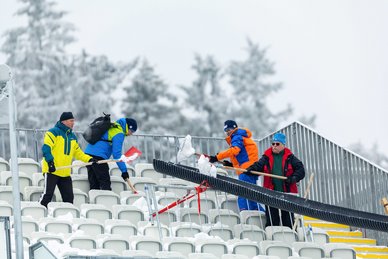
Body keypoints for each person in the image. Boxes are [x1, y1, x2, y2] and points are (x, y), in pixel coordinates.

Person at [246, 132, 305, 228]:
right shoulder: (266, 156)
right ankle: (272, 239)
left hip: (287, 194)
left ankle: (290, 238)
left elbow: (301, 170)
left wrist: (293, 178)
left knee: (288, 221)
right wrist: (251, 169)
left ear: (283, 145)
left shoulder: (291, 157)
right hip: (270, 193)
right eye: (273, 144)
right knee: (272, 220)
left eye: (277, 144)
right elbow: (258, 166)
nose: (274, 146)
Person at [40, 112, 94, 208]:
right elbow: (46, 148)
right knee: (47, 195)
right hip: (52, 170)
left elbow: (78, 153)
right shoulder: (53, 132)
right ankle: (39, 212)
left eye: (73, 121)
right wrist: (50, 162)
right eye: (71, 121)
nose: (73, 123)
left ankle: (67, 216)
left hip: (65, 173)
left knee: (69, 198)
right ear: (64, 121)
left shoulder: (72, 136)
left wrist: (89, 159)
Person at [209, 120, 259, 211]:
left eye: (229, 129)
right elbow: (243, 156)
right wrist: (231, 165)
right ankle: (260, 216)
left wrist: (217, 157)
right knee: (252, 197)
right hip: (250, 170)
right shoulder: (241, 137)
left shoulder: (237, 136)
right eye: (226, 130)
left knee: (243, 194)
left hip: (246, 170)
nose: (228, 131)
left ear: (235, 128)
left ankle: (245, 214)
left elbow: (235, 150)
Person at [84, 117, 137, 190]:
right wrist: (124, 171)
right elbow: (117, 154)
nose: (131, 134)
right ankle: (107, 200)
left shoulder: (113, 125)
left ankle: (96, 200)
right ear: (128, 127)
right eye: (131, 131)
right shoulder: (119, 132)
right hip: (98, 157)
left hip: (88, 154)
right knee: (105, 183)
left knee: (94, 183)